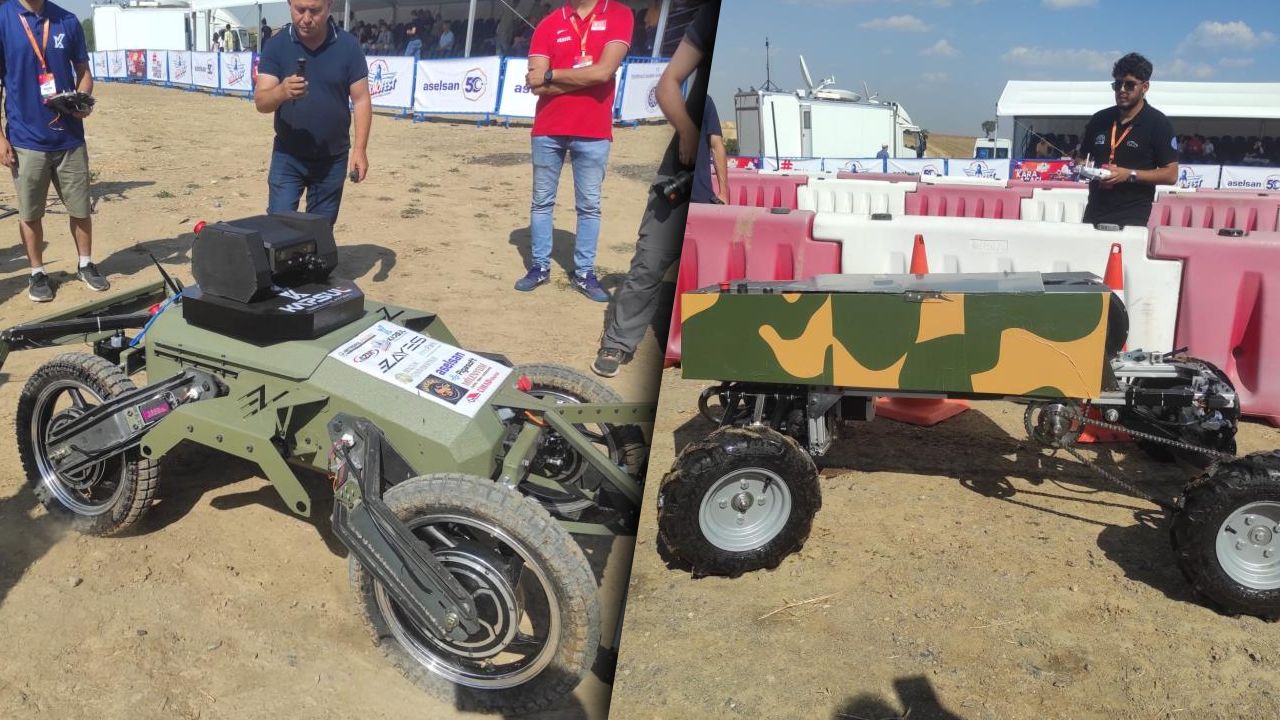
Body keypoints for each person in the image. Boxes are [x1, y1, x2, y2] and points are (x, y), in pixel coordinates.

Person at [592, 1, 719, 377]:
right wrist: (686, 131)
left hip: (702, 182)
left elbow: (719, 146)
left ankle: (704, 345)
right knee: (649, 261)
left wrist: (722, 190)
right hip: (679, 169)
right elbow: (667, 85)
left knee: (705, 273)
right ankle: (618, 342)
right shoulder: (708, 18)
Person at [517, 0, 634, 302]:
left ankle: (584, 273)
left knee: (589, 206)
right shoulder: (549, 23)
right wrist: (584, 78)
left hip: (593, 130)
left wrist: (552, 75)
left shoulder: (619, 14)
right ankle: (539, 267)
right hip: (548, 128)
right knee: (542, 202)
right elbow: (535, 84)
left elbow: (604, 72)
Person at [0, 0, 107, 302]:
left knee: (81, 208)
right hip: (25, 139)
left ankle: (85, 264)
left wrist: (82, 99)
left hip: (69, 138)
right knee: (30, 212)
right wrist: (0, 139)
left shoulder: (67, 20)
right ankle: (37, 273)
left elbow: (84, 71)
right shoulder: (3, 18)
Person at [254, 0, 372, 225]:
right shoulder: (276, 46)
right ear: (289, 4)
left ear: (329, 6)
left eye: (315, 11)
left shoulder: (348, 46)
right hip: (288, 155)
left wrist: (360, 149)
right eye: (300, 10)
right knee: (279, 226)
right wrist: (282, 91)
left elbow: (361, 100)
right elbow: (261, 102)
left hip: (332, 158)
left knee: (319, 231)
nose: (306, 18)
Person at [1078, 52, 1177, 227]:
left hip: (1132, 216)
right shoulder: (1099, 119)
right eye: (1117, 84)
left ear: (1145, 87)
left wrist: (1128, 175)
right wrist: (1089, 170)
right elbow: (1082, 158)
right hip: (1094, 211)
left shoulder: (1158, 123)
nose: (1122, 90)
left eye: (1129, 85)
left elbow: (1171, 174)